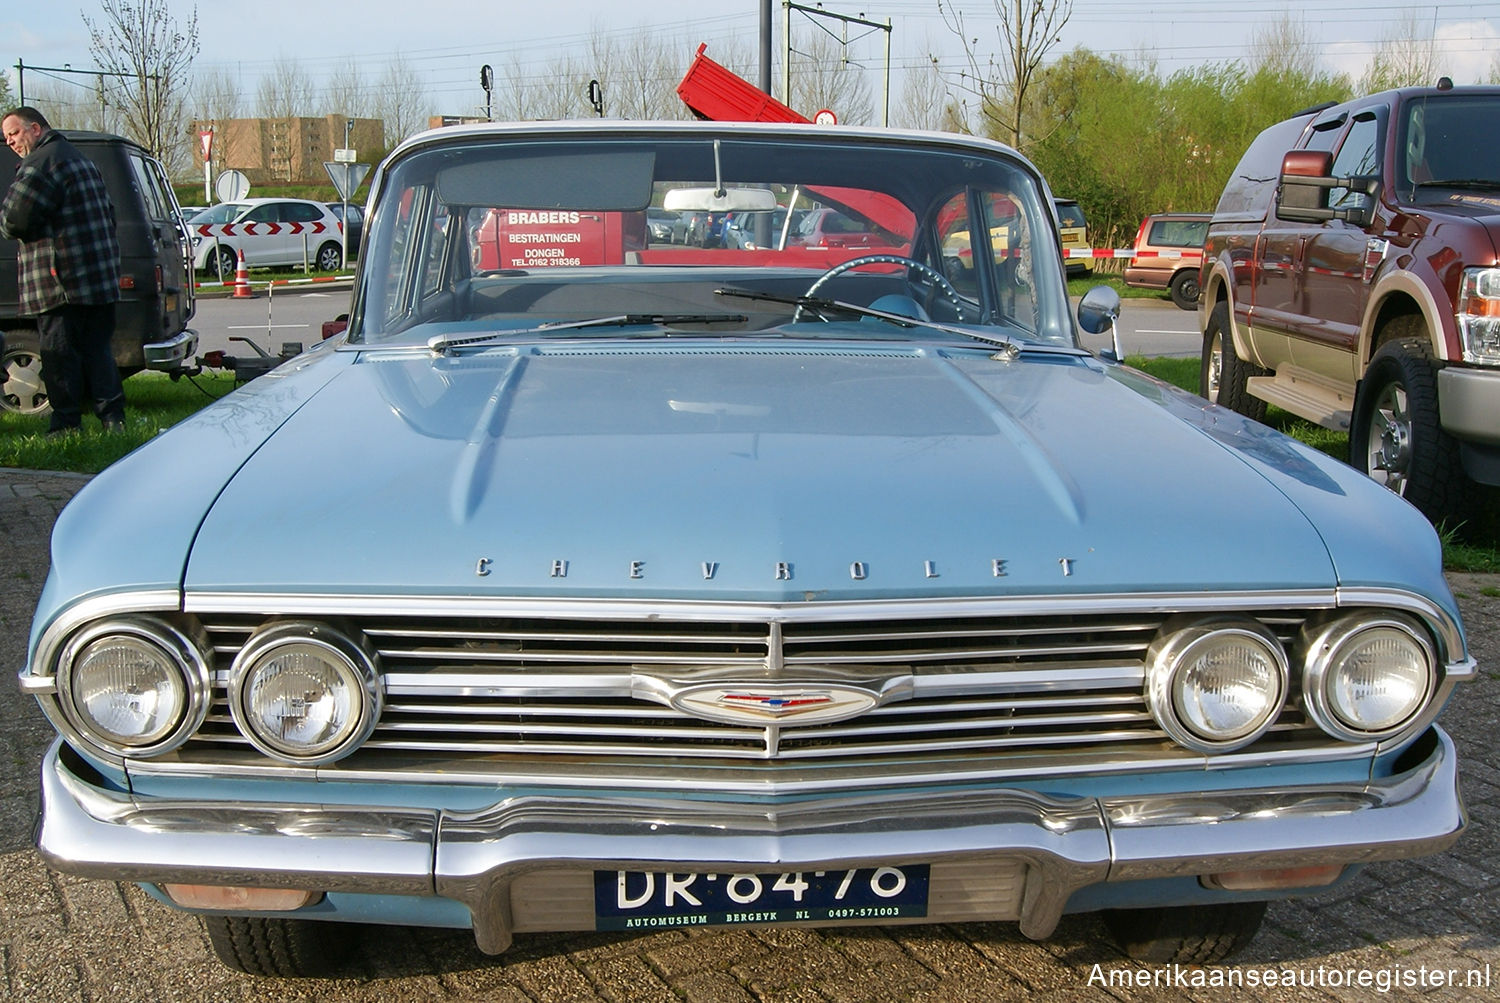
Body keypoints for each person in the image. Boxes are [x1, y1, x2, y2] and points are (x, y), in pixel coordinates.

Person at [0, 106, 125, 433]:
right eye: (6, 137)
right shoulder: (84, 161)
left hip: (59, 280)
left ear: (36, 129)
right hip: (98, 278)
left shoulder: (40, 164)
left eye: (14, 133)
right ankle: (113, 421)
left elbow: (13, 219)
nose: (11, 142)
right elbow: (109, 215)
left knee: (59, 357)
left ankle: (66, 426)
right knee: (98, 352)